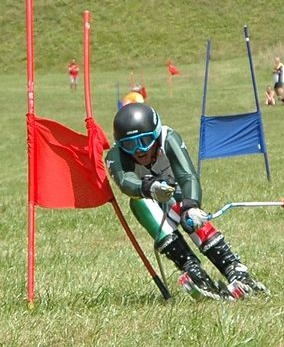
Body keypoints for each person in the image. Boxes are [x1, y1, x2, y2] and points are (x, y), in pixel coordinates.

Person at [105, 103, 267, 300]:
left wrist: (191, 205)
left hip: (180, 196)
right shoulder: (115, 156)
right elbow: (125, 182)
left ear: (155, 134)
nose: (139, 151)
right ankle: (192, 268)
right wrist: (148, 188)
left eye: (145, 141)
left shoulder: (168, 139)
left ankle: (233, 267)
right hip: (152, 201)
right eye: (130, 145)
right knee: (138, 203)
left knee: (187, 215)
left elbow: (187, 176)